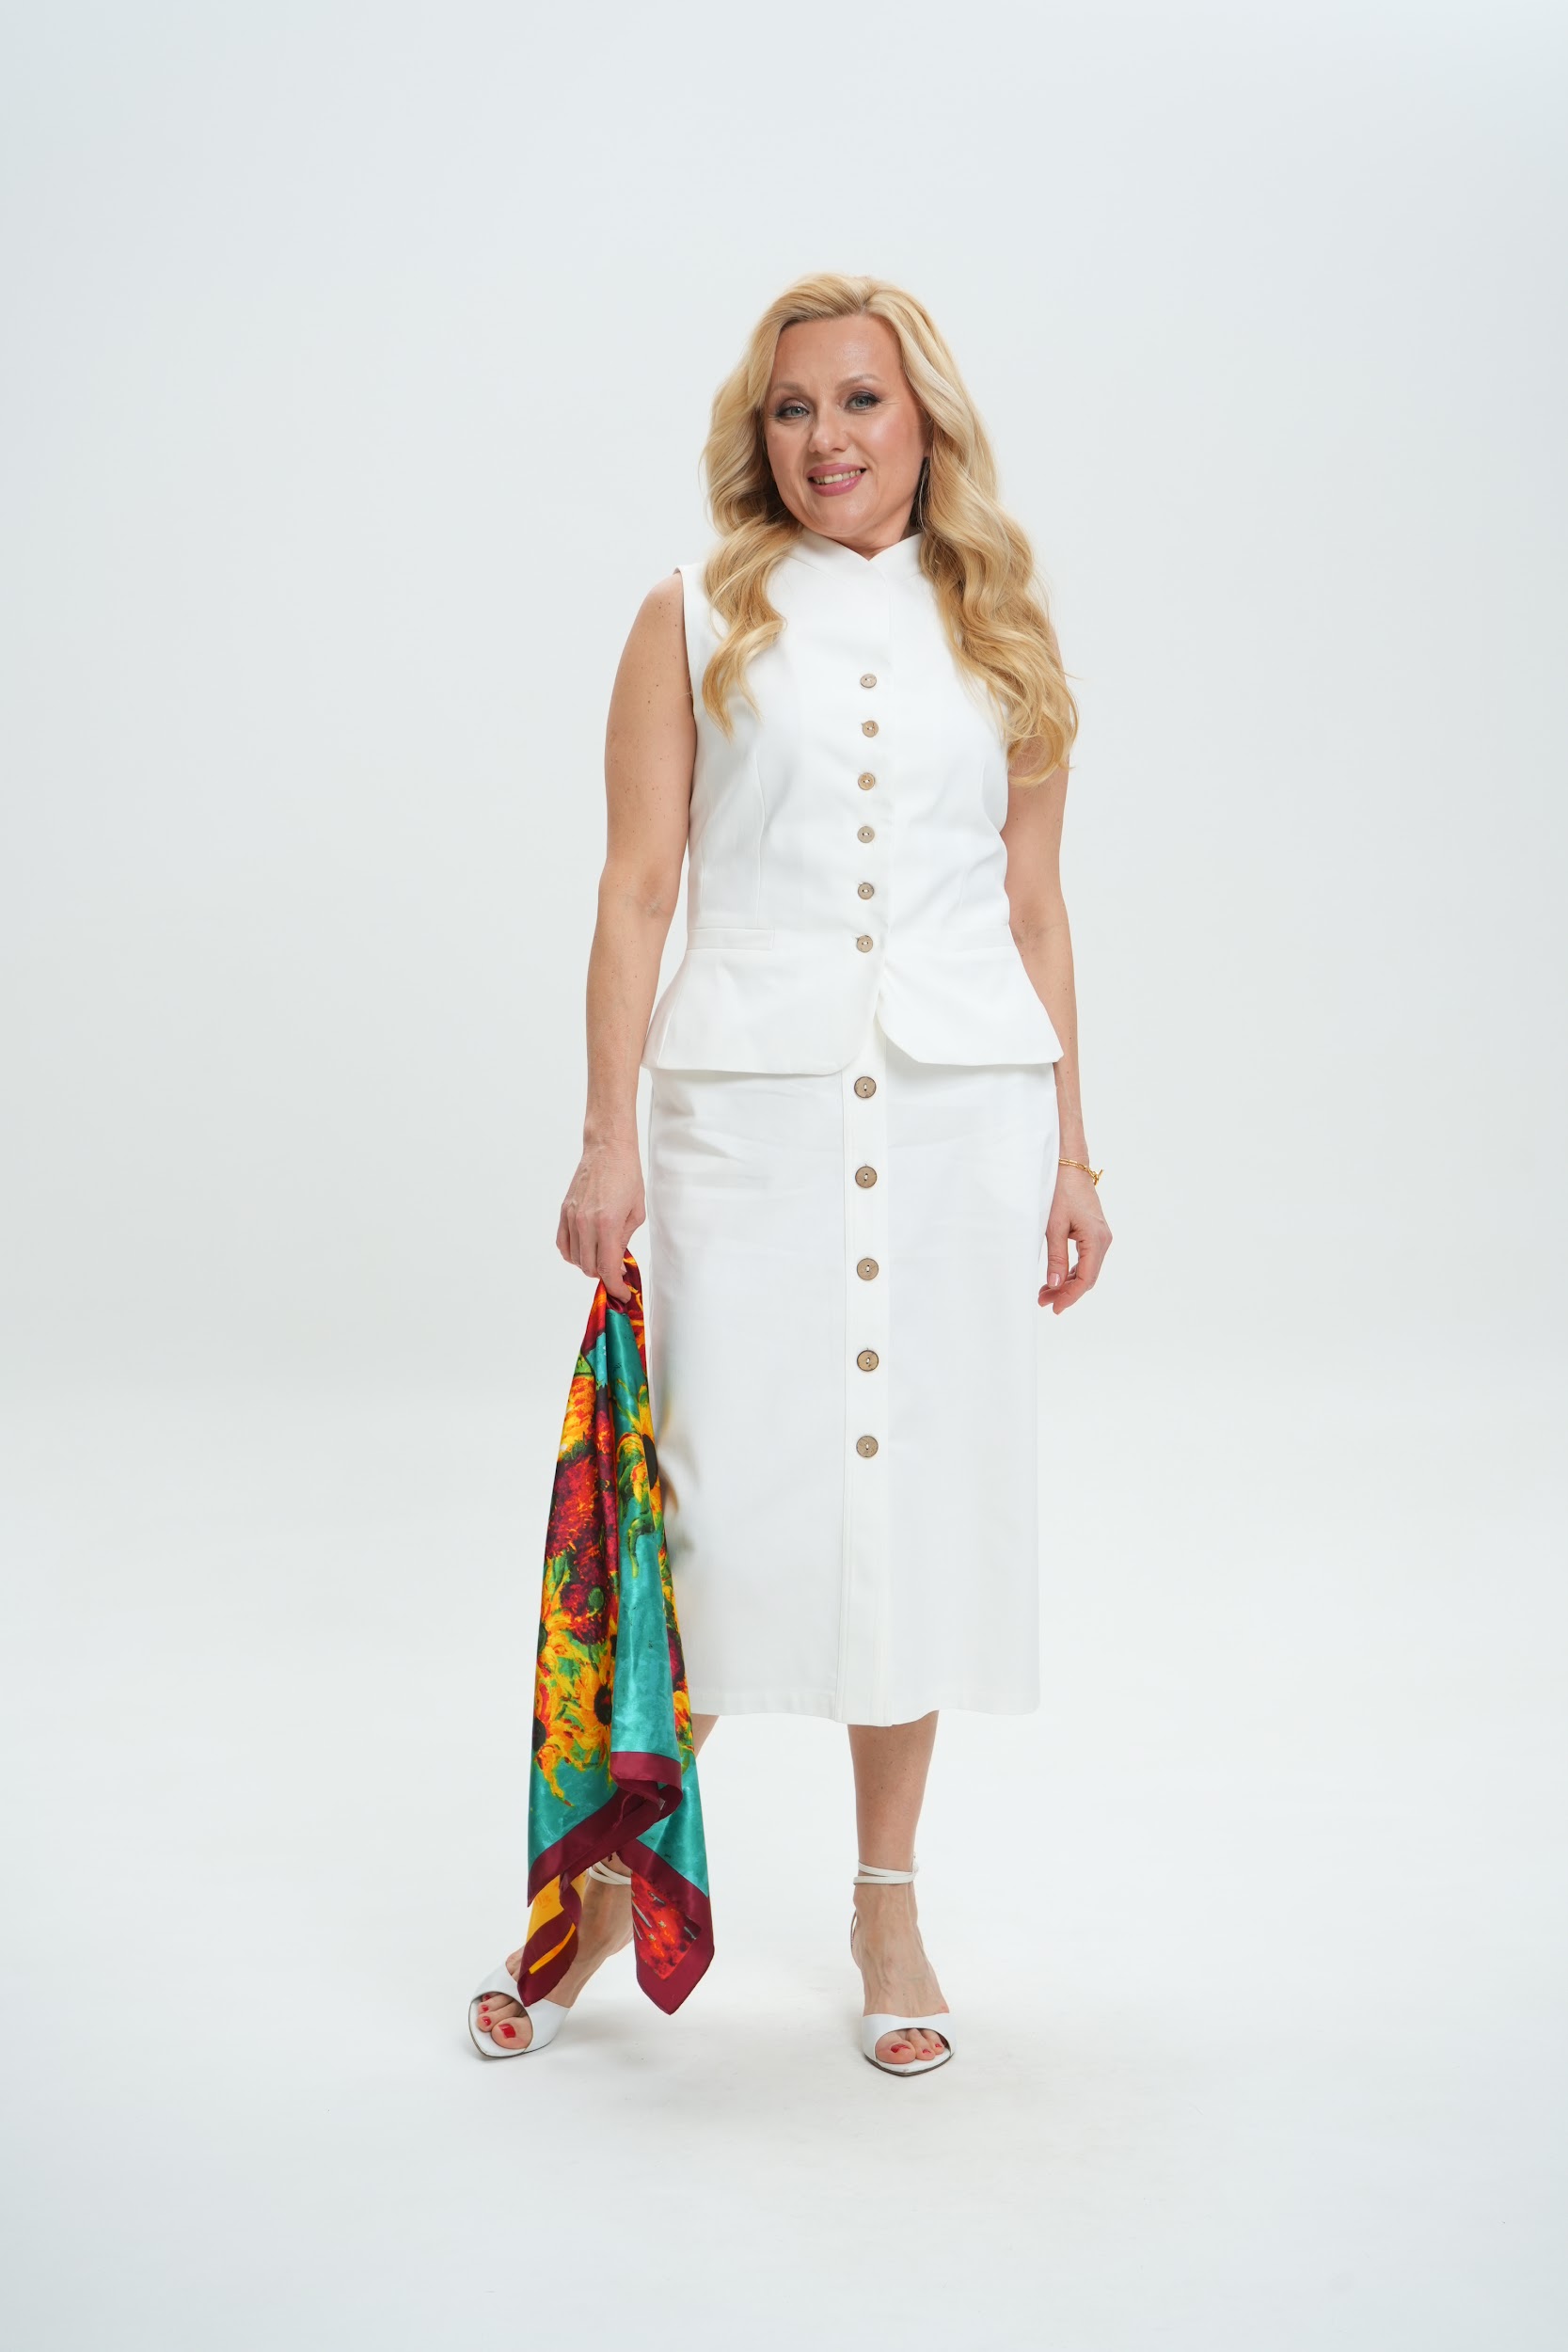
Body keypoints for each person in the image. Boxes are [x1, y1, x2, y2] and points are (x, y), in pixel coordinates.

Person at [473, 271, 1112, 2074]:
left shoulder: (1003, 623)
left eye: (859, 400)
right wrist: (606, 1138)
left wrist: (1074, 1150)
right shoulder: (691, 616)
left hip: (962, 1124)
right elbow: (636, 888)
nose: (826, 438)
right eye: (791, 408)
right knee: (711, 1510)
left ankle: (885, 1902)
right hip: (748, 1126)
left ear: (927, 421)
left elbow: (1037, 908)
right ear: (757, 437)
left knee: (911, 1510)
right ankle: (610, 1892)